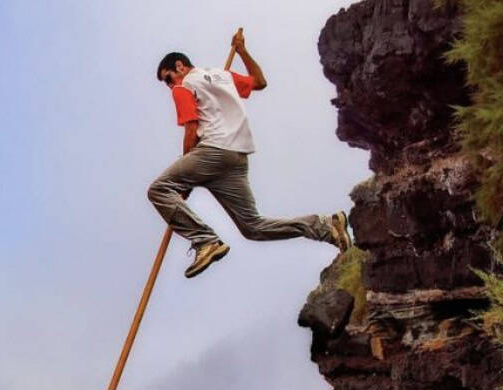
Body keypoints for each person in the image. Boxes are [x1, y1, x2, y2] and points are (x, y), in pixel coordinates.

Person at [148, 30, 351, 278]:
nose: (170, 85)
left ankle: (205, 242)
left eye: (168, 78)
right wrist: (242, 51)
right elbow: (259, 81)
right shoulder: (223, 77)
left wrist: (185, 179)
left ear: (179, 66)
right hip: (237, 156)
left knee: (159, 189)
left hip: (214, 150)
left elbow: (191, 128)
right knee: (253, 227)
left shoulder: (183, 87)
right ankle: (325, 226)